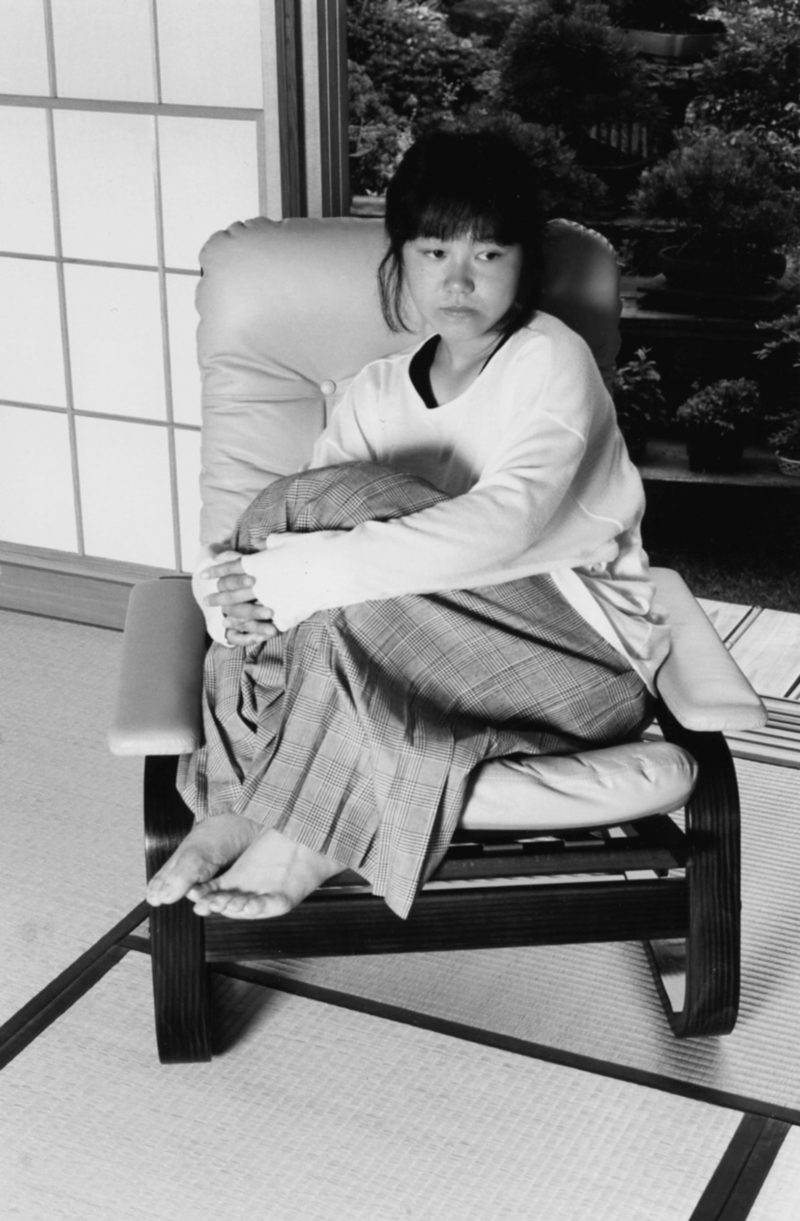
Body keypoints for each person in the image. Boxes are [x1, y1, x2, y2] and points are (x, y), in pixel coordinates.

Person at [147, 125, 670, 923]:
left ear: (524, 261)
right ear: (400, 258)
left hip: (578, 661)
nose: (458, 280)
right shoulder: (376, 389)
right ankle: (242, 812)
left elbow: (504, 524)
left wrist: (288, 581)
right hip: (420, 654)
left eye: (488, 253)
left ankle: (296, 829)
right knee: (300, 539)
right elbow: (288, 530)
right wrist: (231, 605)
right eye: (434, 252)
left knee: (315, 523)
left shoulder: (547, 357)